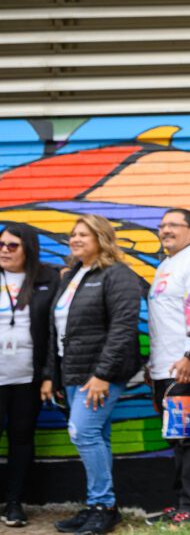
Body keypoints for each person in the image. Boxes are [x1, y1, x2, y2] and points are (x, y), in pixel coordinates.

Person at [41, 214, 142, 535]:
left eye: (84, 234)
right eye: (73, 234)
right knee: (97, 436)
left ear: (102, 238)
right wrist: (52, 376)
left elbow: (123, 329)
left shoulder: (117, 275)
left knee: (82, 433)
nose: (76, 239)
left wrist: (102, 375)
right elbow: (56, 331)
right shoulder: (73, 276)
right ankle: (97, 505)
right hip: (73, 372)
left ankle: (104, 506)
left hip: (100, 374)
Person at [143, 209, 190, 526]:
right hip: (166, 366)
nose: (165, 230)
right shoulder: (167, 264)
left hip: (187, 366)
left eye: (173, 225)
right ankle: (183, 501)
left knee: (188, 437)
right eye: (162, 226)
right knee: (178, 437)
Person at [0, 223, 59, 527]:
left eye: (12, 246)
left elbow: (53, 332)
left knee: (22, 440)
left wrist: (49, 375)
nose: (5, 250)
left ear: (28, 249)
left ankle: (14, 503)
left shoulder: (48, 278)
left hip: (27, 377)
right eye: (1, 244)